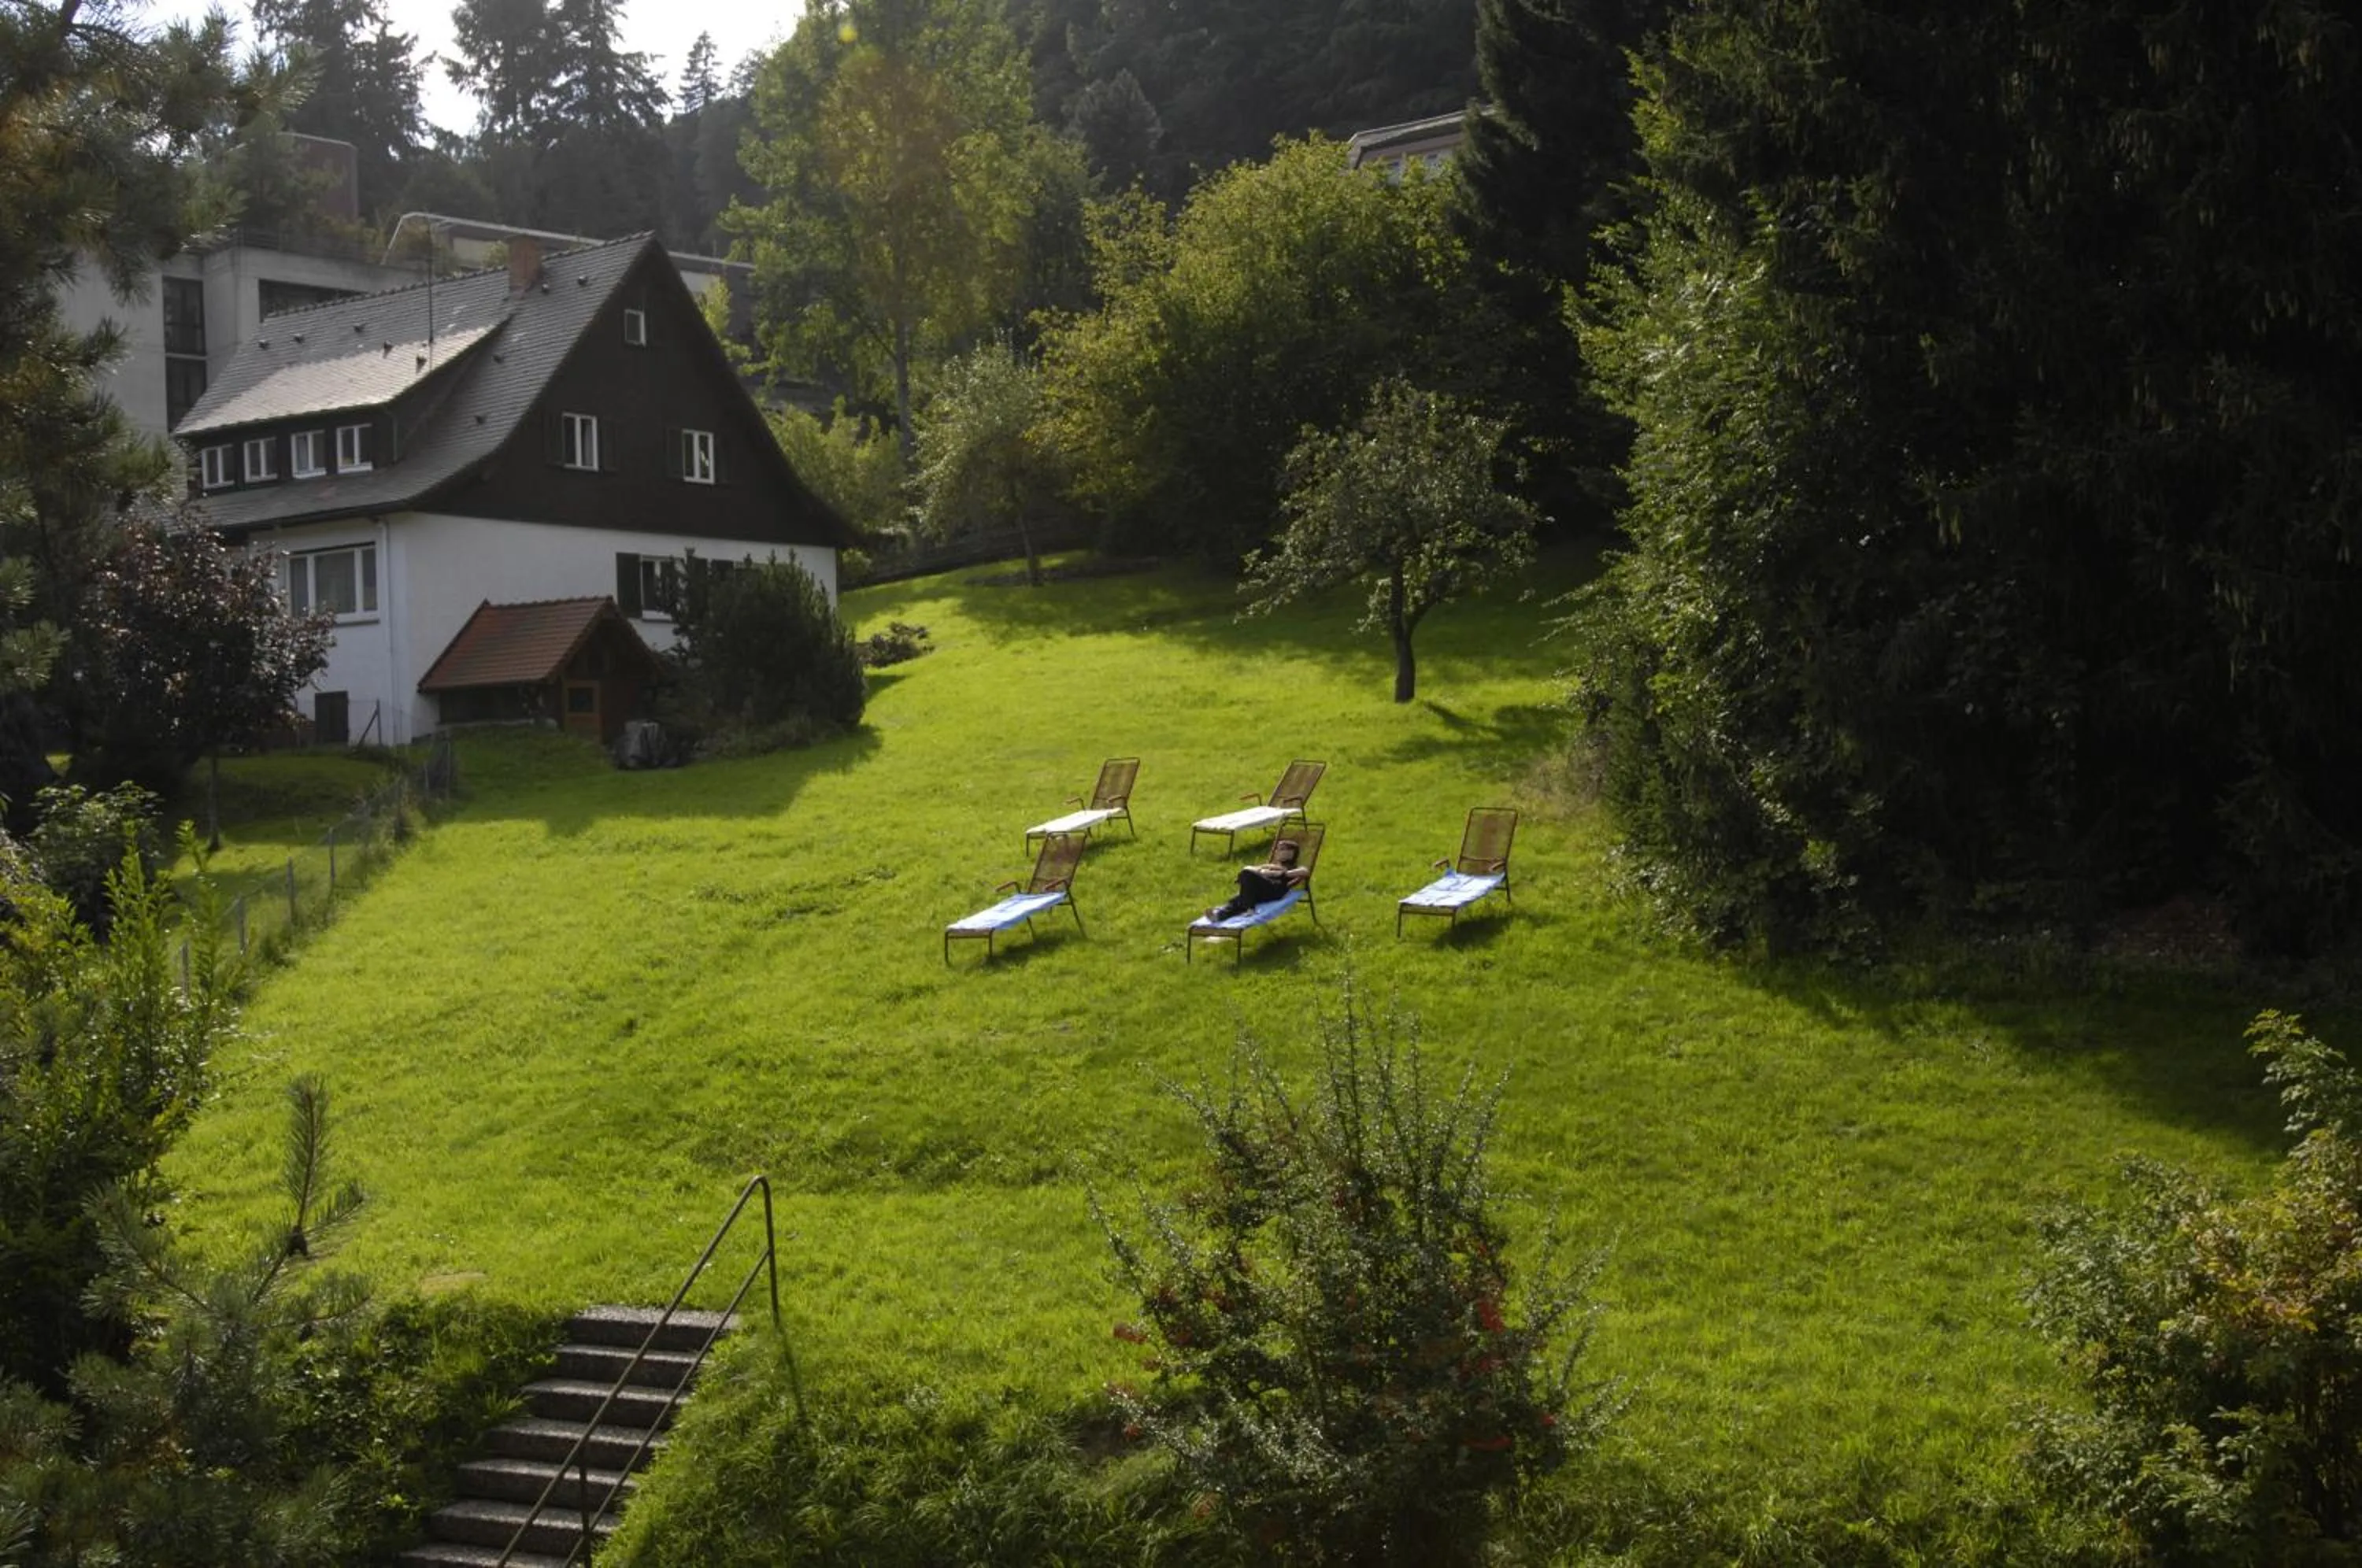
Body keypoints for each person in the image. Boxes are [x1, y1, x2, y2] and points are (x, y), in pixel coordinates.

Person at [1205, 838, 1311, 922]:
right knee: (1238, 898)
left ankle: (1250, 909)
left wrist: (1284, 874)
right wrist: (1265, 871)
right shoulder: (1272, 866)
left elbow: (1305, 871)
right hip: (1263, 890)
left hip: (1275, 890)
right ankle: (1218, 916)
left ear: (1291, 853)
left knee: (1246, 873)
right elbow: (1255, 869)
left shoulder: (1291, 867)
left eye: (1281, 849)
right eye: (1278, 849)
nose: (1277, 851)